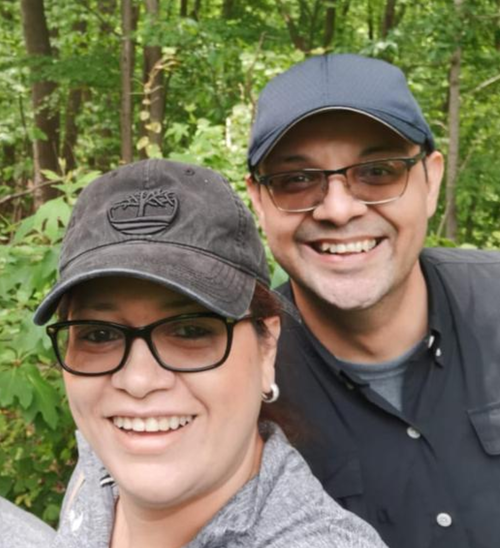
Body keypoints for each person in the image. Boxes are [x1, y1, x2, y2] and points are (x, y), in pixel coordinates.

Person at [33, 159, 386, 548]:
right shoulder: (101, 454)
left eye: (190, 331)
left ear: (266, 348)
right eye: (99, 335)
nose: (138, 381)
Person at [246, 53, 500, 548]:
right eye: (297, 180)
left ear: (431, 181)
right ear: (259, 201)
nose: (339, 209)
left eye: (378, 172)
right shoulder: (231, 381)